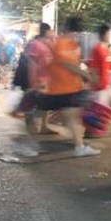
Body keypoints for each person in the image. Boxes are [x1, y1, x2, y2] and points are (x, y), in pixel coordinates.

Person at [41, 17, 100, 157]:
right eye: (75, 32)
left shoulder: (73, 44)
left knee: (73, 116)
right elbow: (66, 64)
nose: (76, 35)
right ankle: (79, 146)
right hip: (62, 87)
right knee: (73, 116)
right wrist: (86, 75)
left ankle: (78, 144)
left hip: (72, 87)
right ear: (70, 30)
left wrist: (85, 75)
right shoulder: (61, 43)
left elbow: (76, 63)